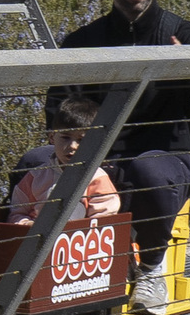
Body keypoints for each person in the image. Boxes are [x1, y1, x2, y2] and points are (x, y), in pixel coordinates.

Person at [47, 0, 190, 315]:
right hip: (98, 152)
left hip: (164, 153)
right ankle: (42, 280)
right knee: (31, 164)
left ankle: (151, 269)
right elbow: (57, 106)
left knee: (146, 171)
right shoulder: (84, 40)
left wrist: (189, 66)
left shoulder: (185, 34)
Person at [9, 93, 125, 228]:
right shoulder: (35, 177)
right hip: (38, 243)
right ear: (52, 137)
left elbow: (104, 219)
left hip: (80, 243)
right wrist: (26, 224)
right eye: (65, 137)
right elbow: (16, 212)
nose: (72, 146)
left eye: (81, 140)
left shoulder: (96, 178)